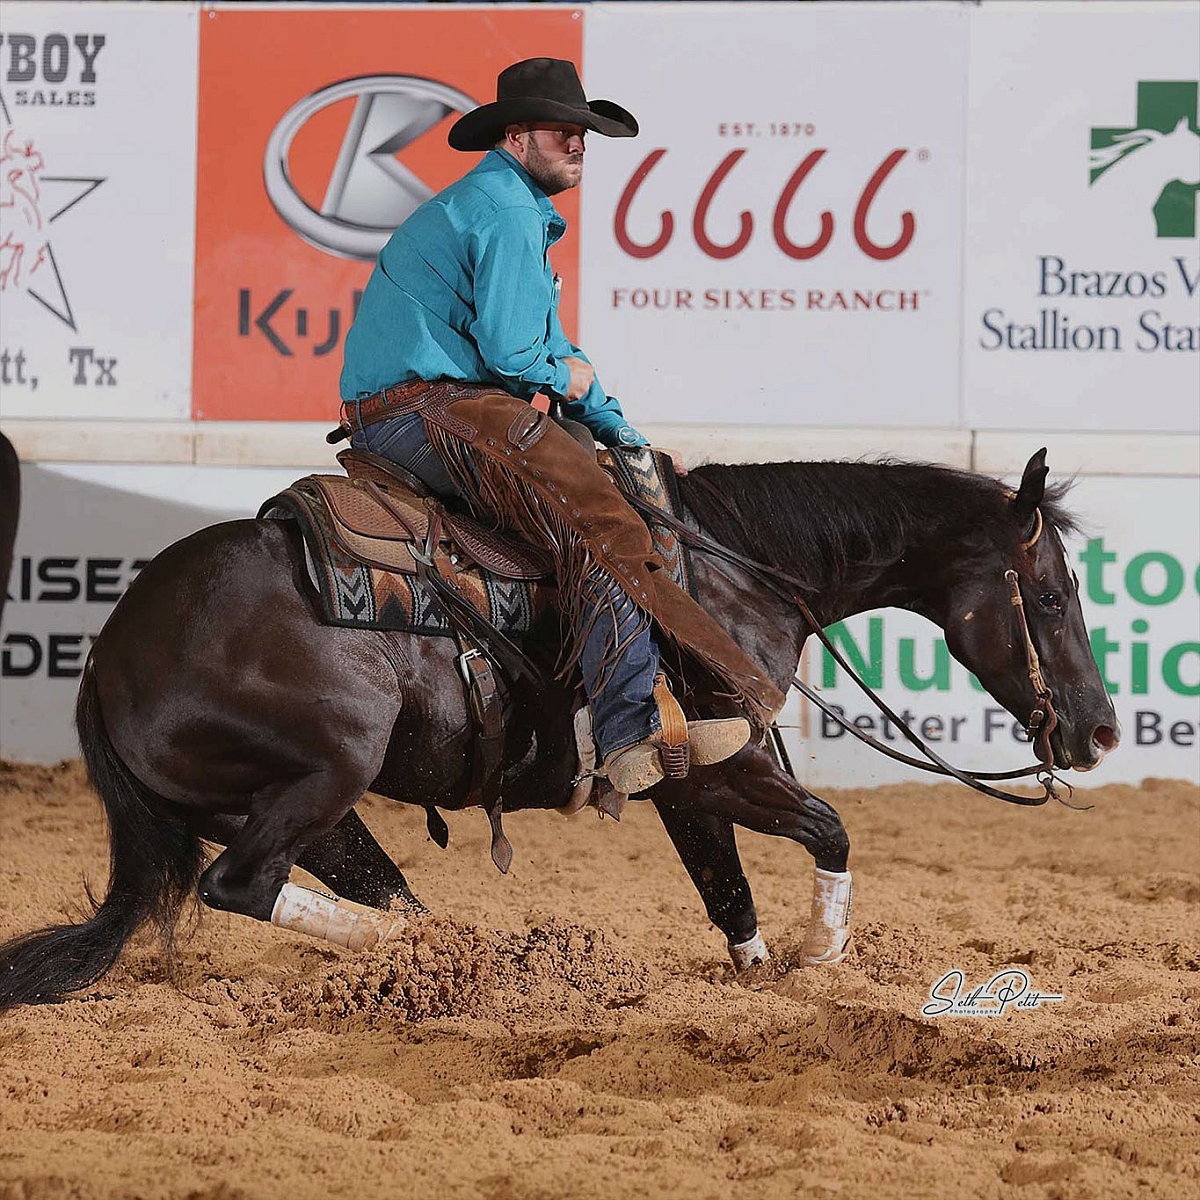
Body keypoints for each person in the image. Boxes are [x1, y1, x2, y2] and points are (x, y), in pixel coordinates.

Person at [339, 58, 784, 795]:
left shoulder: (499, 205)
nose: (579, 144)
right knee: (603, 522)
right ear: (517, 137)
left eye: (584, 132)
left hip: (418, 407)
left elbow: (548, 350)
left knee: (599, 487)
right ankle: (626, 724)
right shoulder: (509, 213)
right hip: (433, 409)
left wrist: (619, 433)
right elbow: (521, 355)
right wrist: (569, 385)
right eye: (563, 131)